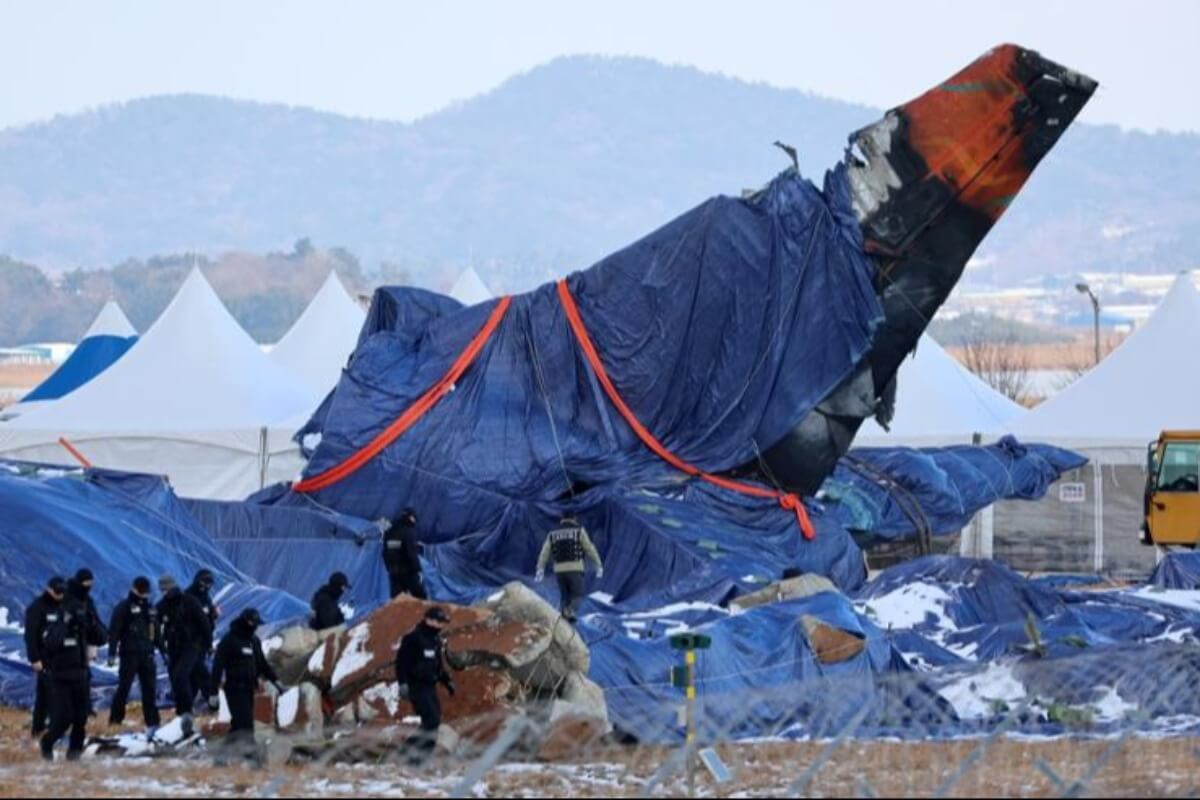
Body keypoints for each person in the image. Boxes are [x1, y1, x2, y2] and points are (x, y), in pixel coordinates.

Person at [38, 577, 106, 760]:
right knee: (62, 719)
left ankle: (74, 757)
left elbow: (101, 638)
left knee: (80, 719)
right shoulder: (54, 615)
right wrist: (65, 621)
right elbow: (50, 643)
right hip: (60, 676)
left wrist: (90, 621)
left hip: (81, 675)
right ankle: (47, 742)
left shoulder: (82, 620)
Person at [208, 608, 280, 764]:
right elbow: (217, 667)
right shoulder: (229, 640)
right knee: (246, 724)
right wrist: (213, 692)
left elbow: (262, 664)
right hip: (234, 688)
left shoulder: (254, 641)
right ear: (247, 622)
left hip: (249, 688)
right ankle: (252, 759)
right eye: (254, 624)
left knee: (239, 725)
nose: (256, 628)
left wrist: (277, 681)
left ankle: (220, 758)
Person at [394, 607, 456, 765]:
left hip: (430, 686)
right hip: (416, 686)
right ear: (428, 620)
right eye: (438, 621)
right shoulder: (413, 638)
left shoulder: (435, 640)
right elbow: (401, 663)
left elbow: (437, 665)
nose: (441, 625)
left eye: (443, 623)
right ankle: (409, 755)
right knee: (431, 721)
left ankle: (418, 756)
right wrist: (403, 683)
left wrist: (446, 681)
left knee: (433, 722)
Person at [156, 573, 212, 731]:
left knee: (181, 676)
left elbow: (204, 623)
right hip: (173, 648)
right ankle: (206, 703)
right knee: (187, 676)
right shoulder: (162, 606)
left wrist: (208, 644)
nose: (164, 592)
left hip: (192, 646)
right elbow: (154, 624)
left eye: (166, 589)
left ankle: (186, 711)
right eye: (162, 590)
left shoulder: (189, 601)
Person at [107, 576, 161, 729]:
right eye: (142, 591)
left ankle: (153, 722)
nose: (144, 595)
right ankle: (115, 721)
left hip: (147, 653)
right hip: (129, 654)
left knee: (149, 689)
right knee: (124, 688)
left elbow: (156, 631)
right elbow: (115, 631)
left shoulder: (150, 608)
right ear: (134, 588)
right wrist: (112, 652)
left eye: (146, 592)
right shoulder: (123, 607)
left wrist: (163, 649)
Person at [535, 516, 604, 622]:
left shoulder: (553, 533)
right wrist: (598, 564)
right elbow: (589, 548)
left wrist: (540, 568)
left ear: (562, 520)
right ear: (574, 519)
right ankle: (569, 611)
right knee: (577, 594)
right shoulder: (579, 531)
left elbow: (545, 552)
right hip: (575, 569)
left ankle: (563, 620)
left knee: (564, 596)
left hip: (559, 571)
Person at [23, 576, 67, 738]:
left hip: (62, 658)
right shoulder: (37, 607)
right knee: (51, 695)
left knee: (49, 696)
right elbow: (30, 635)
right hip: (44, 659)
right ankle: (46, 730)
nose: (60, 595)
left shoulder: (63, 606)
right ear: (49, 589)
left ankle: (41, 729)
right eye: (57, 592)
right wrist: (34, 658)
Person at [67, 568, 106, 717]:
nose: (89, 586)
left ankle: (85, 709)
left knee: (85, 676)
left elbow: (93, 619)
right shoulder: (69, 599)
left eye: (91, 583)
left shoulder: (87, 600)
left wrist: (101, 633)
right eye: (86, 583)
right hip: (69, 645)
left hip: (83, 642)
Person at [185, 569, 220, 713]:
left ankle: (187, 707)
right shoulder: (188, 597)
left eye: (209, 584)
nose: (206, 586)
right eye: (204, 582)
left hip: (203, 643)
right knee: (202, 674)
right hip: (190, 643)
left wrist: (214, 614)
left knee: (194, 678)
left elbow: (209, 618)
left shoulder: (206, 597)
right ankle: (214, 705)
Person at [382, 510, 426, 599]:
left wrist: (389, 568)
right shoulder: (407, 532)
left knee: (398, 601)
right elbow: (411, 553)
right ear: (410, 518)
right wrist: (418, 570)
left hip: (394, 573)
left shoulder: (389, 532)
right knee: (421, 598)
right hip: (408, 572)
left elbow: (385, 553)